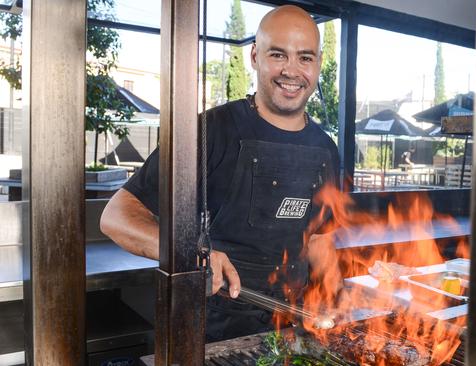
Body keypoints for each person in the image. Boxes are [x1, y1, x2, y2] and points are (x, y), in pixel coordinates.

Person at [100, 5, 342, 342]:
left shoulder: (326, 149)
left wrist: (335, 303)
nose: (292, 70)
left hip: (291, 325)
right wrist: (191, 252)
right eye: (278, 54)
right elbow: (116, 216)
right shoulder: (209, 131)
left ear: (318, 63)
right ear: (255, 56)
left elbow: (319, 239)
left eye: (305, 57)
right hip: (215, 328)